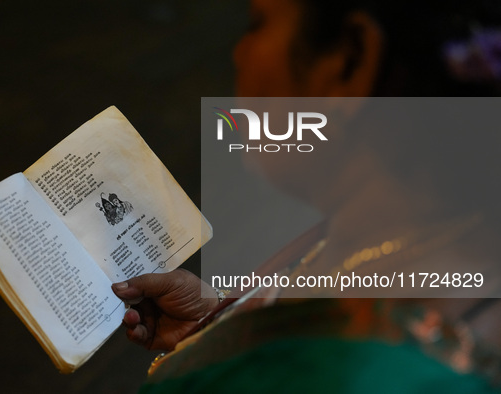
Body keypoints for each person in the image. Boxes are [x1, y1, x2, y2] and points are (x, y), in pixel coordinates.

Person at [112, 0, 501, 392]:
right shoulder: (403, 232)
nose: (238, 52)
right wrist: (216, 327)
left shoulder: (335, 377)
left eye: (258, 24)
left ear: (351, 60)